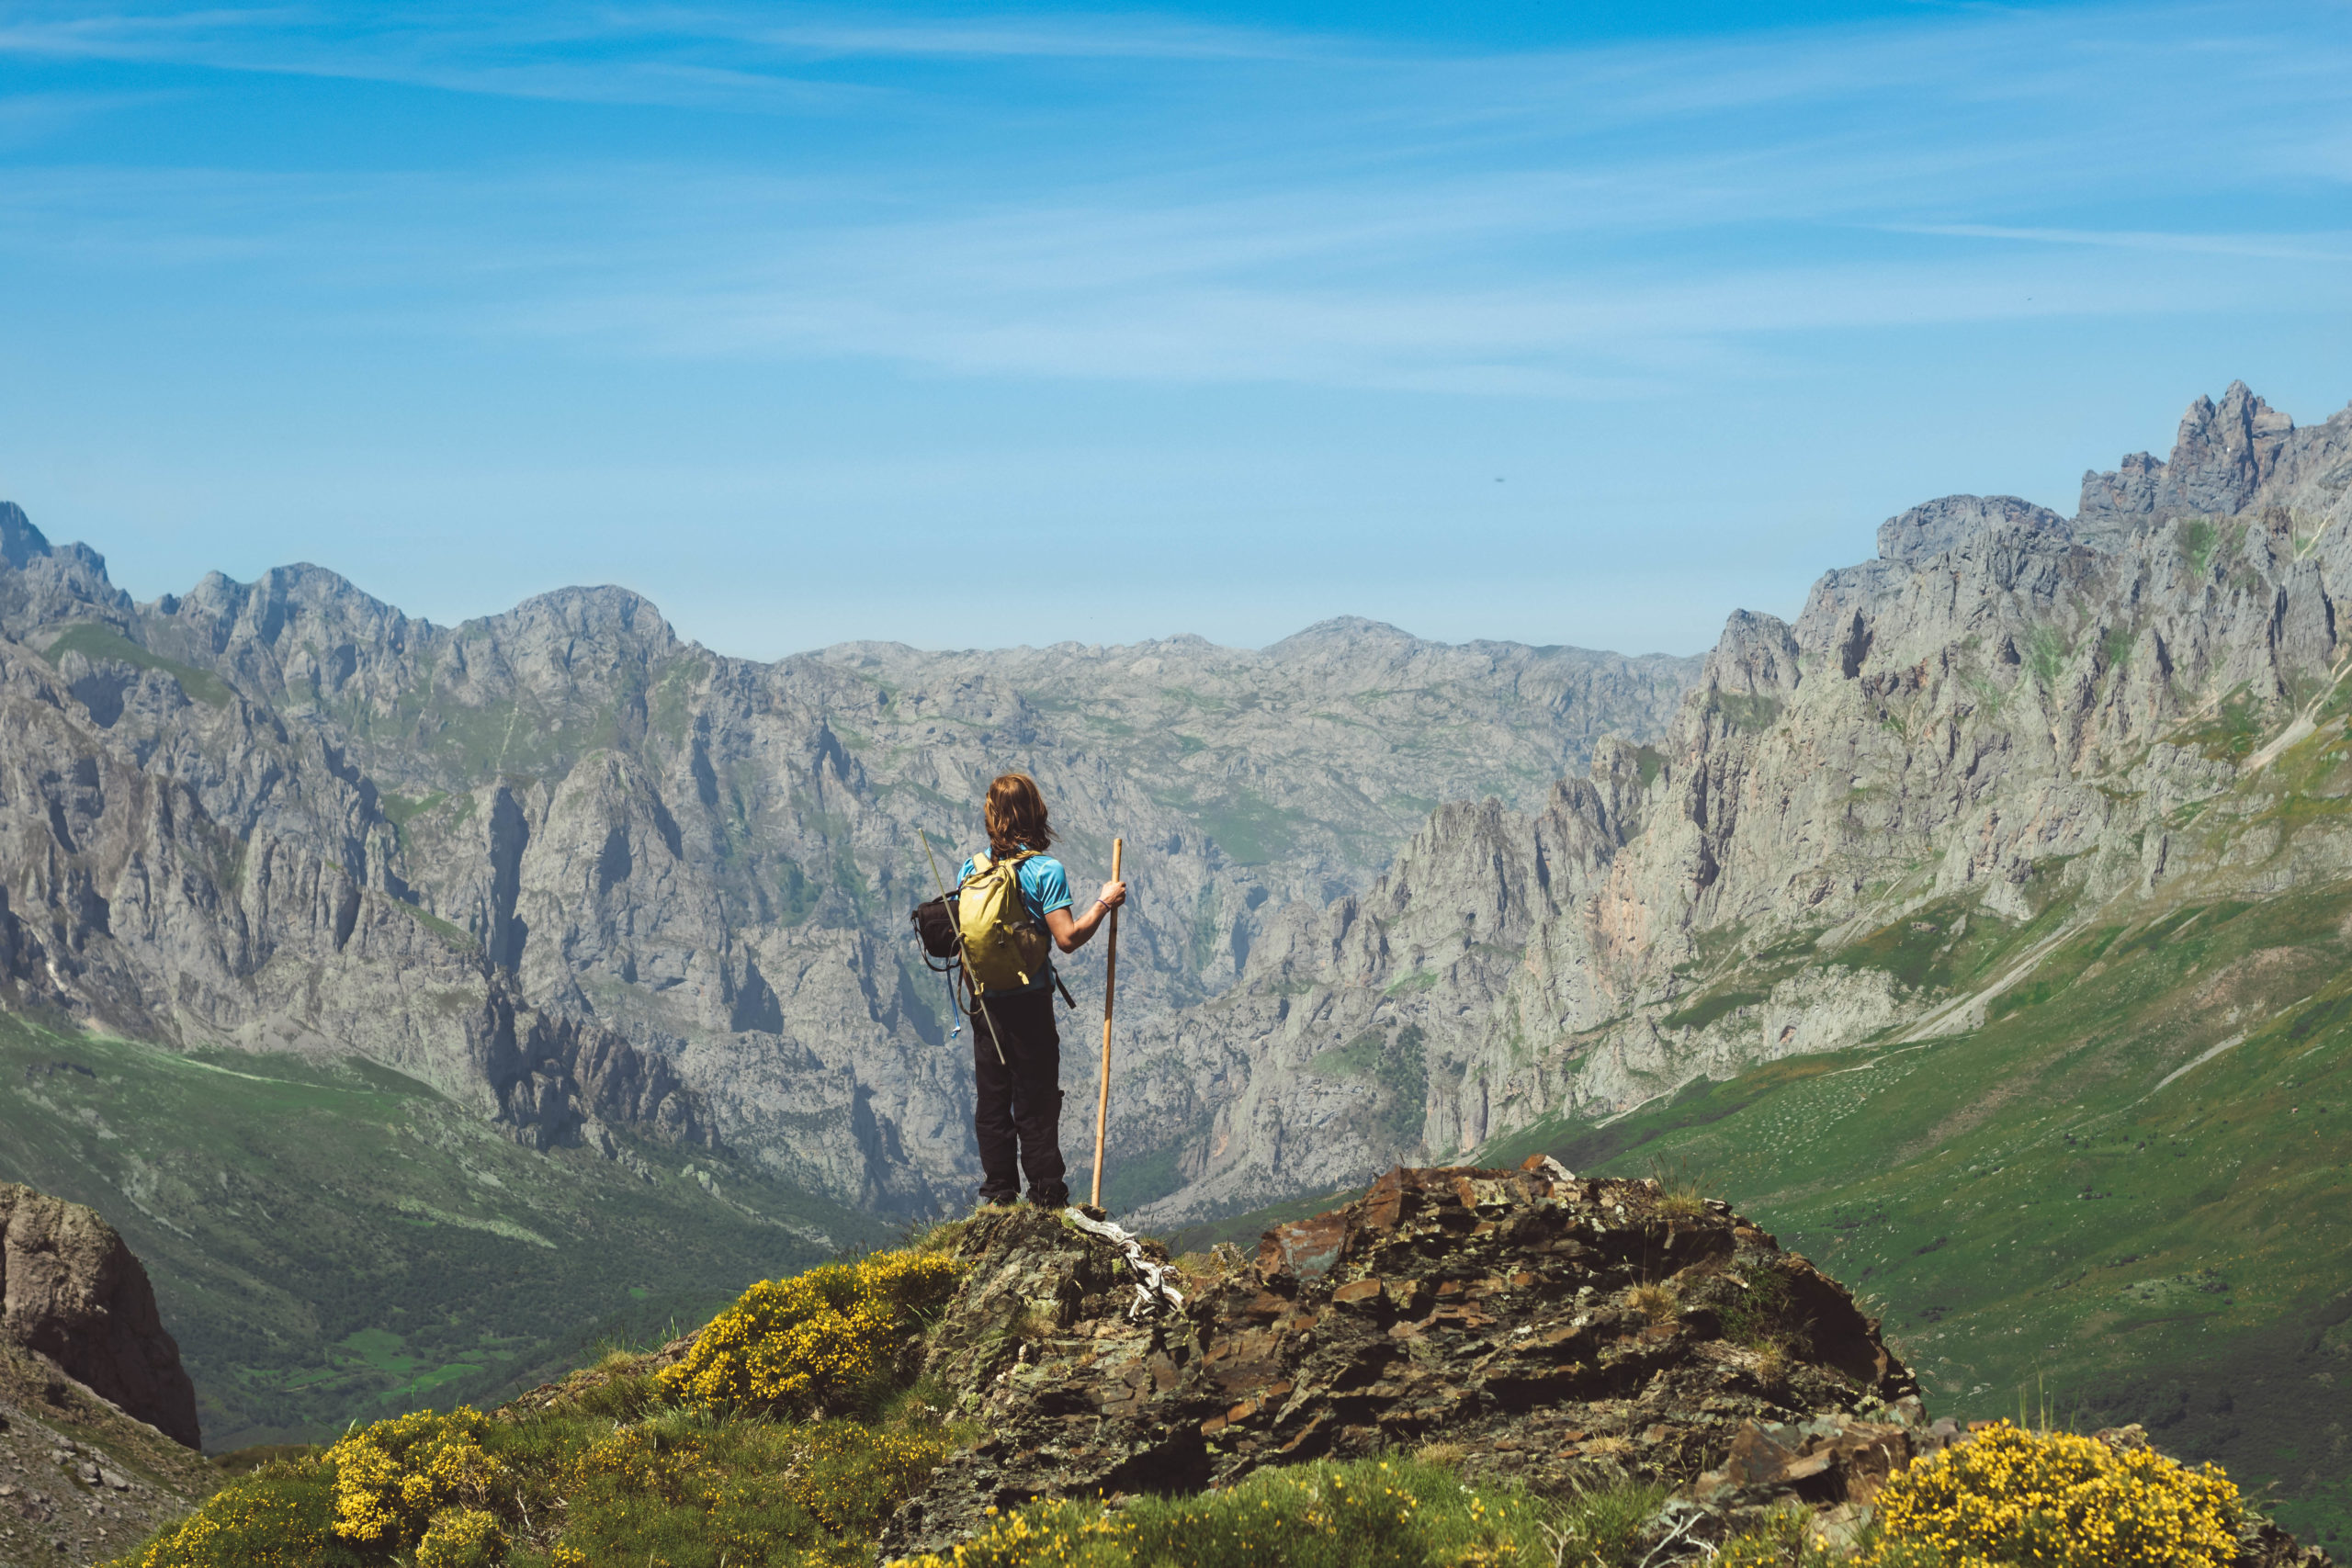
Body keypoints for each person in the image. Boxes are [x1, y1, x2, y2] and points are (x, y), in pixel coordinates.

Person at [959, 773, 1126, 1209]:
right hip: (1029, 1004)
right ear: (1036, 814)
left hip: (984, 1004)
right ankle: (1046, 1195)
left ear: (992, 816)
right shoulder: (1044, 870)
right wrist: (1104, 903)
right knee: (1035, 1100)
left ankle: (998, 1195)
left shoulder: (971, 869)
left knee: (993, 1099)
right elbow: (1068, 938)